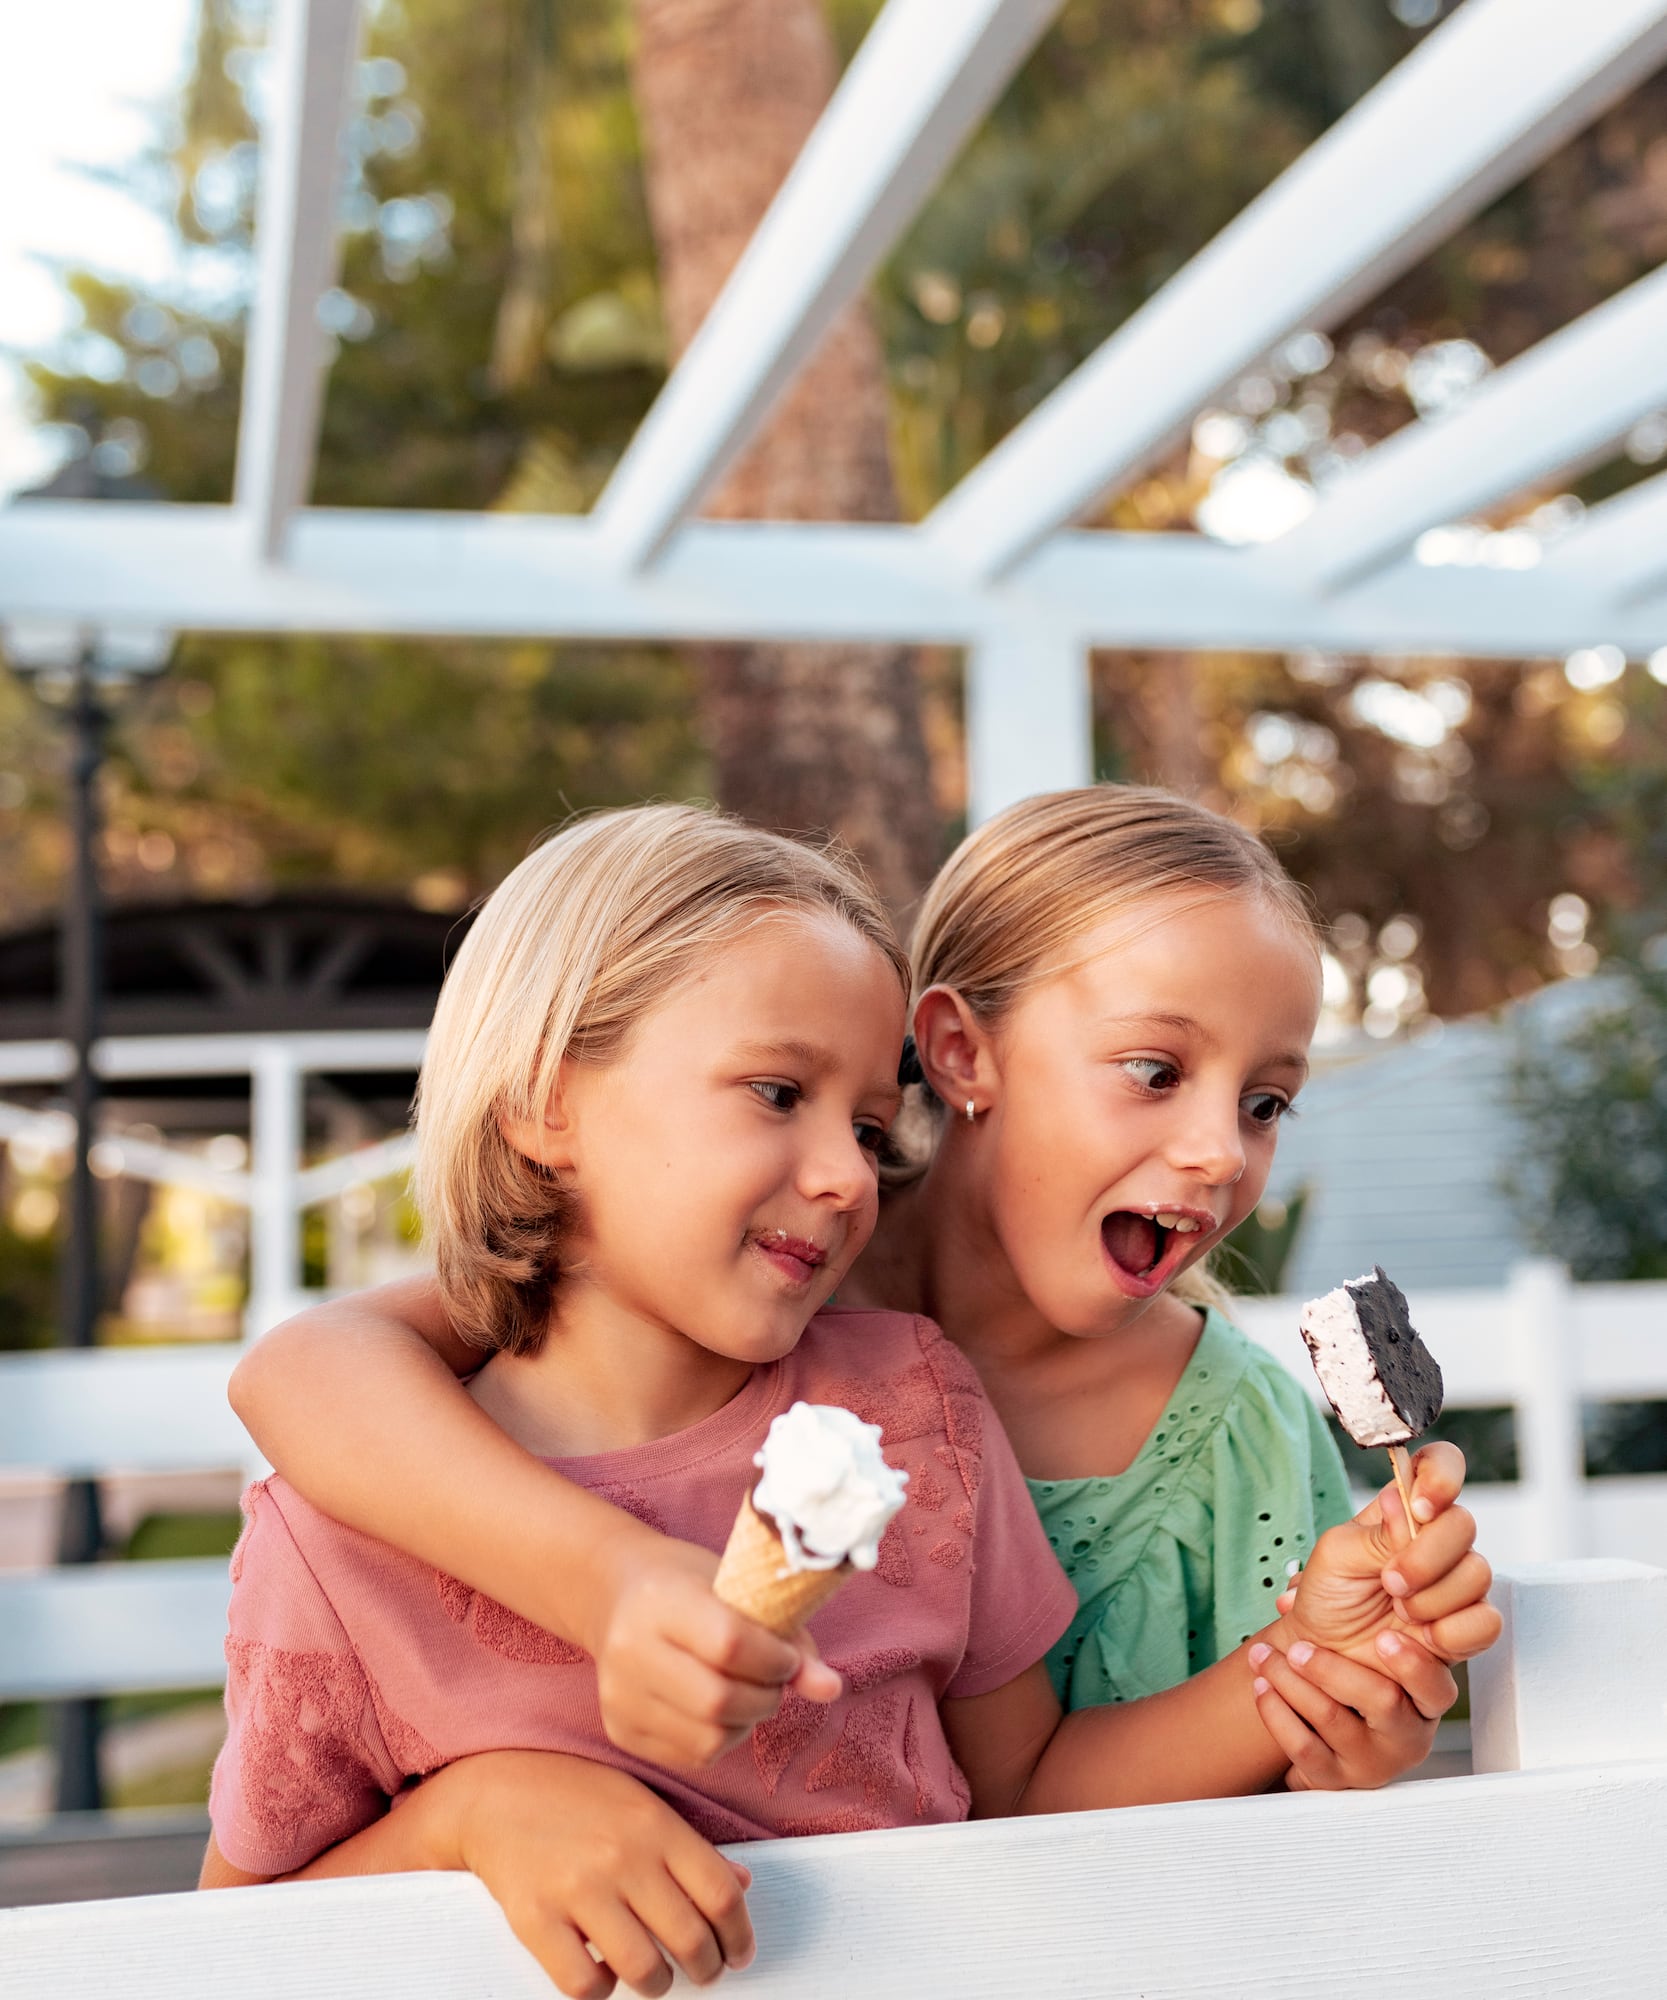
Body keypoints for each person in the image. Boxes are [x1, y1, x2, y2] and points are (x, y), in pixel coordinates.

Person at [214, 798, 1497, 1995]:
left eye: (871, 1130)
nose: (841, 1173)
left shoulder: (914, 1408)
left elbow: (1024, 1792)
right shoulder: (359, 1513)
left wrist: (1321, 1669)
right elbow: (224, 1938)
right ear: (549, 1099)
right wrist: (472, 1811)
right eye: (779, 1093)